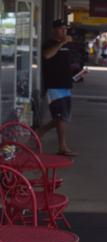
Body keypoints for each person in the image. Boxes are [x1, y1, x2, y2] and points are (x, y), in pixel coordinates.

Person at [36, 19, 77, 156]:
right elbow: (47, 55)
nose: (64, 31)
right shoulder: (50, 44)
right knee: (60, 117)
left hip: (66, 84)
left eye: (65, 29)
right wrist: (61, 43)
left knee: (63, 117)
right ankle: (62, 147)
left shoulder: (67, 45)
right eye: (61, 29)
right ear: (54, 30)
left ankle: (42, 131)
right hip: (54, 86)